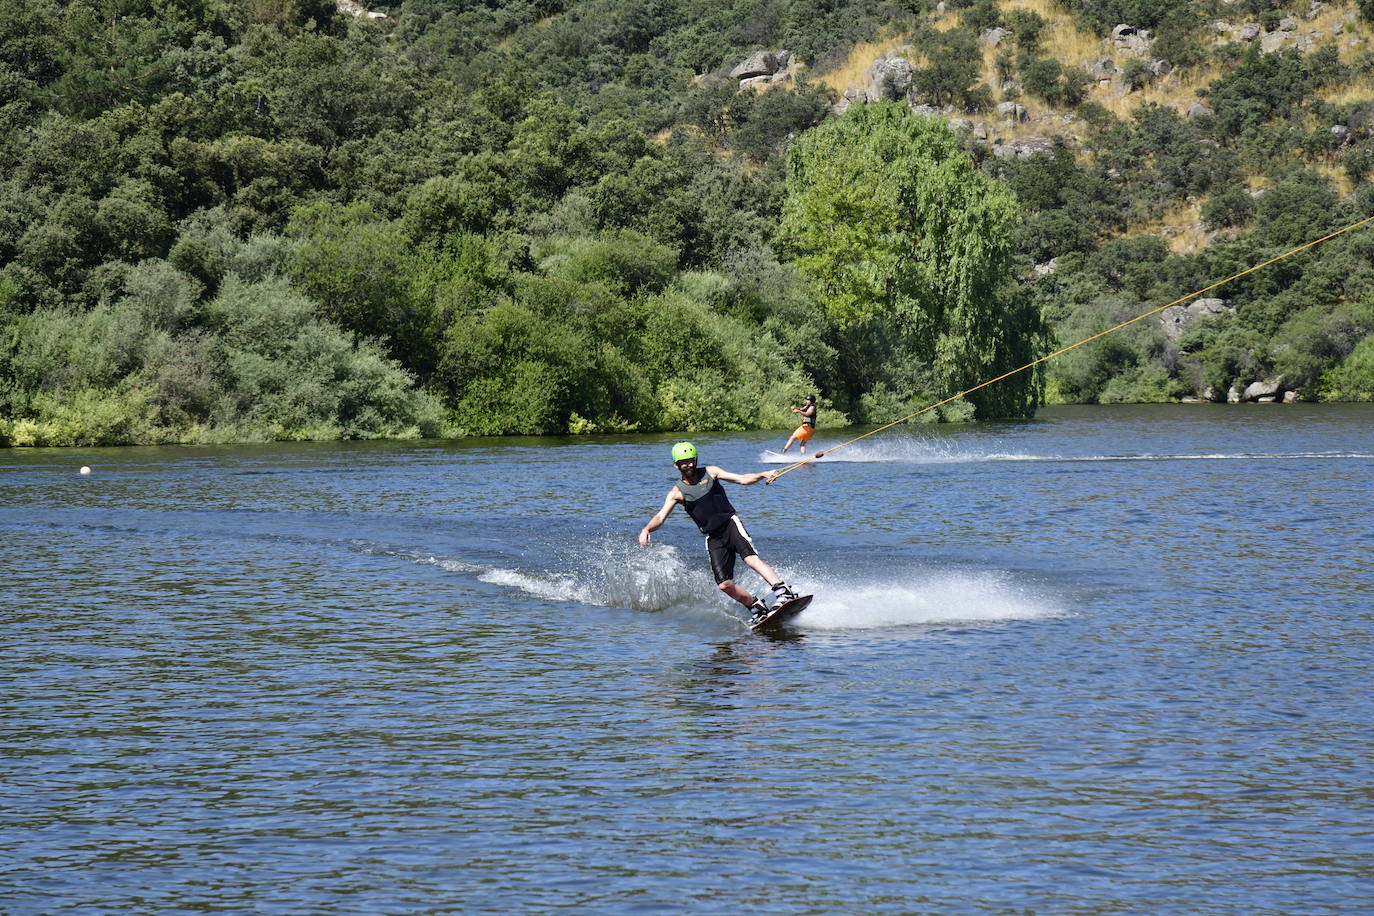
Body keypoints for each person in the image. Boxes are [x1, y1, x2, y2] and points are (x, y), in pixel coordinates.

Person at [638, 441, 799, 624]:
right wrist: (647, 528)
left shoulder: (711, 472)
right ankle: (756, 607)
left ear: (696, 460)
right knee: (725, 585)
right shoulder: (677, 493)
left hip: (730, 524)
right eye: (684, 462)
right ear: (676, 465)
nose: (688, 465)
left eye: (691, 460)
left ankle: (784, 592)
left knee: (750, 559)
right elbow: (660, 517)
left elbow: (742, 479)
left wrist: (763, 474)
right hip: (713, 537)